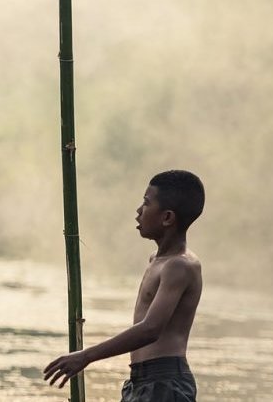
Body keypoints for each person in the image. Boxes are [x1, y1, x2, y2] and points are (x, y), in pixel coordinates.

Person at [43, 170, 205, 401]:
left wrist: (86, 356)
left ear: (167, 218)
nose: (139, 211)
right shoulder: (156, 261)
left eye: (146, 204)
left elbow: (151, 328)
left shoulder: (180, 266)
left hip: (165, 384)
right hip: (140, 381)